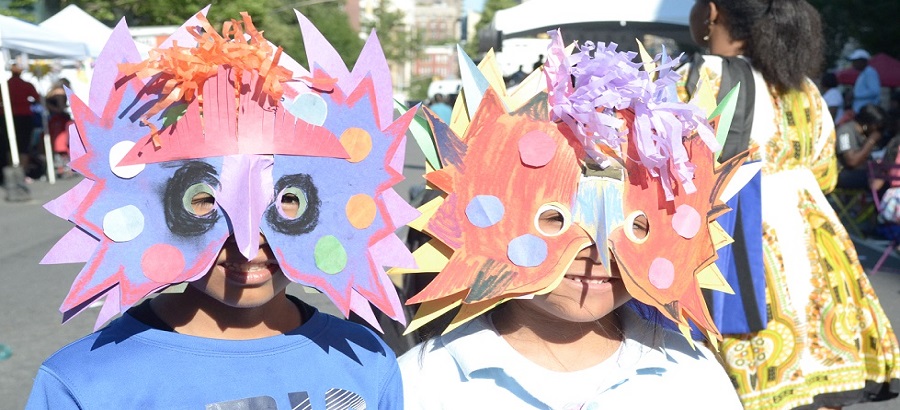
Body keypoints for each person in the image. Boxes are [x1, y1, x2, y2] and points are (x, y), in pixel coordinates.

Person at [25, 10, 414, 409]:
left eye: (287, 201)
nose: (248, 244)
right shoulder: (86, 382)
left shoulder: (365, 360)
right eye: (206, 201)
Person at [398, 29, 746, 409]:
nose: (599, 249)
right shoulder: (424, 382)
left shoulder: (691, 379)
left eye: (636, 224)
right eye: (554, 217)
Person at [681, 1, 900, 408]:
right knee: (824, 388)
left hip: (741, 250)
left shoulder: (699, 78)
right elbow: (826, 173)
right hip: (819, 247)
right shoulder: (804, 88)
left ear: (711, 13)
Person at [0, 64, 40, 174]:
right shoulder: (26, 85)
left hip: (7, 117)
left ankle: (13, 171)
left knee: (9, 145)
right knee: (24, 145)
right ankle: (22, 172)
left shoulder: (4, 85)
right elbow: (37, 98)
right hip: (24, 117)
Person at [835, 104, 886, 190]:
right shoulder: (845, 131)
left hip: (860, 171)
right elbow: (851, 162)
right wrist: (871, 141)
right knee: (882, 180)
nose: (878, 130)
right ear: (869, 123)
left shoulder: (865, 134)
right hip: (842, 174)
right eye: (877, 126)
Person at [849, 49, 881, 113]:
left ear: (863, 61)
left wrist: (855, 94)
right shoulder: (863, 73)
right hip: (861, 111)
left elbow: (875, 91)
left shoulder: (870, 72)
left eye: (855, 61)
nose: (853, 64)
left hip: (867, 111)